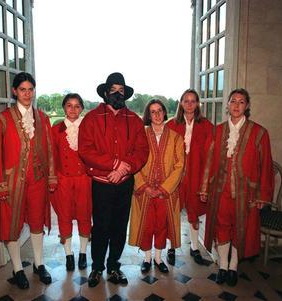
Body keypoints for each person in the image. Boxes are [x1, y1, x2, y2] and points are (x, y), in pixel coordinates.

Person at [78, 72, 149, 287]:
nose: (117, 94)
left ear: (125, 93)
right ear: (105, 93)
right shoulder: (91, 119)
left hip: (124, 183)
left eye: (121, 91)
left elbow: (142, 151)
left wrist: (125, 168)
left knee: (119, 227)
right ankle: (97, 268)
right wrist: (115, 164)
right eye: (113, 90)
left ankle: (113, 267)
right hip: (101, 184)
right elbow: (85, 150)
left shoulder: (135, 120)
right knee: (100, 227)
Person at [0, 72, 57, 289]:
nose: (27, 94)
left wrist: (51, 176)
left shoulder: (43, 118)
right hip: (12, 183)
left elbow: (49, 151)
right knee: (11, 226)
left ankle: (39, 264)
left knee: (37, 223)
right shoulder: (1, 120)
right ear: (14, 92)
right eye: (23, 90)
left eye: (30, 89)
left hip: (37, 180)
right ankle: (18, 269)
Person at [202, 88, 274, 287]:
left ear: (247, 106)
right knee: (222, 228)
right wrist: (204, 188)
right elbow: (208, 162)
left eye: (241, 102)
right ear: (227, 105)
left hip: (247, 193)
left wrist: (262, 195)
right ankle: (222, 266)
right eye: (233, 101)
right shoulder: (218, 131)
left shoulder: (260, 133)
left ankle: (233, 267)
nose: (236, 105)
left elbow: (266, 166)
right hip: (220, 191)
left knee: (240, 230)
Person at [128, 99, 185, 274]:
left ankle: (159, 258)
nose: (157, 114)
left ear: (165, 112)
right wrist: (145, 186)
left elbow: (179, 165)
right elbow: (133, 162)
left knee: (162, 225)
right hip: (144, 192)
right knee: (146, 225)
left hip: (165, 194)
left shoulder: (176, 137)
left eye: (160, 110)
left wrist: (163, 188)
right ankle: (146, 258)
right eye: (153, 111)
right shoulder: (141, 135)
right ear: (148, 115)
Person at [166, 89, 213, 266]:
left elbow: (212, 153)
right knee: (173, 211)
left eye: (193, 101)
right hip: (177, 175)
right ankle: (171, 247)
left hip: (197, 174)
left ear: (198, 104)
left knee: (194, 212)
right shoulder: (171, 125)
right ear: (181, 103)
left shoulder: (206, 126)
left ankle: (194, 247)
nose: (190, 104)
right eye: (186, 101)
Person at [51, 93, 91, 271]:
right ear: (64, 108)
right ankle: (68, 254)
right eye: (69, 105)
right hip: (63, 180)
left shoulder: (89, 129)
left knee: (84, 215)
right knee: (64, 216)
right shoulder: (56, 129)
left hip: (84, 179)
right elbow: (51, 156)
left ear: (82, 108)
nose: (73, 109)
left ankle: (83, 252)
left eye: (77, 106)